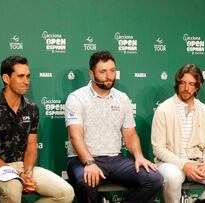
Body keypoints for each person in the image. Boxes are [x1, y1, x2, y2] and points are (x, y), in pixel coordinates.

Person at [0, 55, 74, 203]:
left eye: (28, 76)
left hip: (22, 167)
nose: (26, 81)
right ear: (6, 79)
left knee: (65, 193)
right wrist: (18, 175)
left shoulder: (32, 109)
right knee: (14, 186)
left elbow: (31, 146)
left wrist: (28, 172)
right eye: (20, 76)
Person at [64, 50, 163, 203]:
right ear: (92, 74)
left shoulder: (122, 98)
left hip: (116, 161)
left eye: (112, 71)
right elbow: (75, 136)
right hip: (81, 160)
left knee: (154, 179)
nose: (109, 76)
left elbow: (130, 134)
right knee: (86, 181)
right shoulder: (76, 98)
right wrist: (89, 163)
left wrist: (139, 156)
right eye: (103, 72)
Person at [151, 64, 205, 203]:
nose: (186, 88)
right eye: (183, 83)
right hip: (170, 164)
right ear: (177, 83)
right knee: (173, 177)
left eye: (191, 84)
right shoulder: (163, 109)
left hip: (197, 163)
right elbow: (158, 149)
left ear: (198, 86)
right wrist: (184, 165)